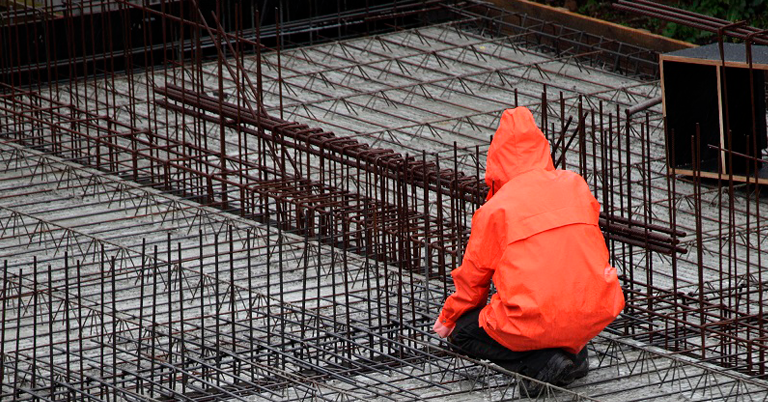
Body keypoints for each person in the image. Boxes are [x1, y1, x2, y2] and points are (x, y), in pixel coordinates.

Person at [433, 107, 625, 394]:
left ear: (497, 161)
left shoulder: (497, 209)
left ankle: (543, 362)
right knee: (556, 306)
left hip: (535, 317)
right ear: (542, 150)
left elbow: (473, 283)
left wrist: (448, 319)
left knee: (463, 334)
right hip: (595, 308)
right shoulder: (576, 185)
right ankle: (575, 354)